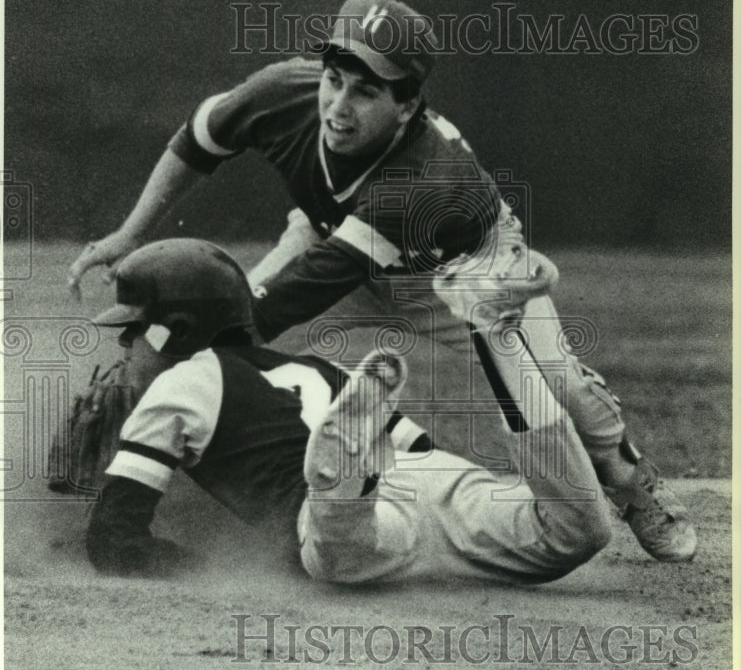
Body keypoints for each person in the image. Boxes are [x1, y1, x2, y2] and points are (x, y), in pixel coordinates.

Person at [69, 0, 693, 549]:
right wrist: (130, 237)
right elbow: (195, 143)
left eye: (365, 91)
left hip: (467, 273)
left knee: (556, 383)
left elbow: (285, 300)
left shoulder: (424, 175)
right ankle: (142, 479)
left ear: (407, 106)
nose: (338, 105)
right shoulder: (280, 93)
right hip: (334, 239)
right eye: (334, 78)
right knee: (212, 350)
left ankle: (634, 484)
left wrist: (185, 336)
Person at [84, 238, 696, 580]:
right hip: (437, 483)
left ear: (174, 331)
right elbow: (423, 454)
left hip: (349, 524)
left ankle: (345, 478)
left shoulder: (180, 384)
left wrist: (205, 572)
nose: (125, 349)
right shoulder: (315, 369)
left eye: (130, 333)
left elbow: (115, 540)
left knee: (339, 559)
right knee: (576, 535)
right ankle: (496, 336)